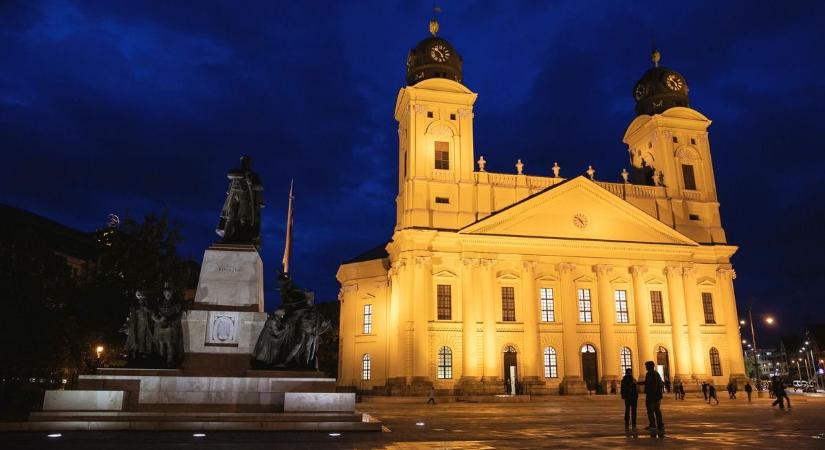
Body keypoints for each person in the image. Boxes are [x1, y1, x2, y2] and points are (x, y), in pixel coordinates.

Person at [641, 361, 664, 434]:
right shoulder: (656, 373)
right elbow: (658, 383)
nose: (646, 367)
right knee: (657, 410)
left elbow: (650, 384)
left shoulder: (650, 374)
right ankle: (660, 425)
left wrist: (652, 394)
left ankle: (653, 425)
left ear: (650, 366)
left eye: (646, 366)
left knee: (651, 410)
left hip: (652, 395)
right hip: (657, 395)